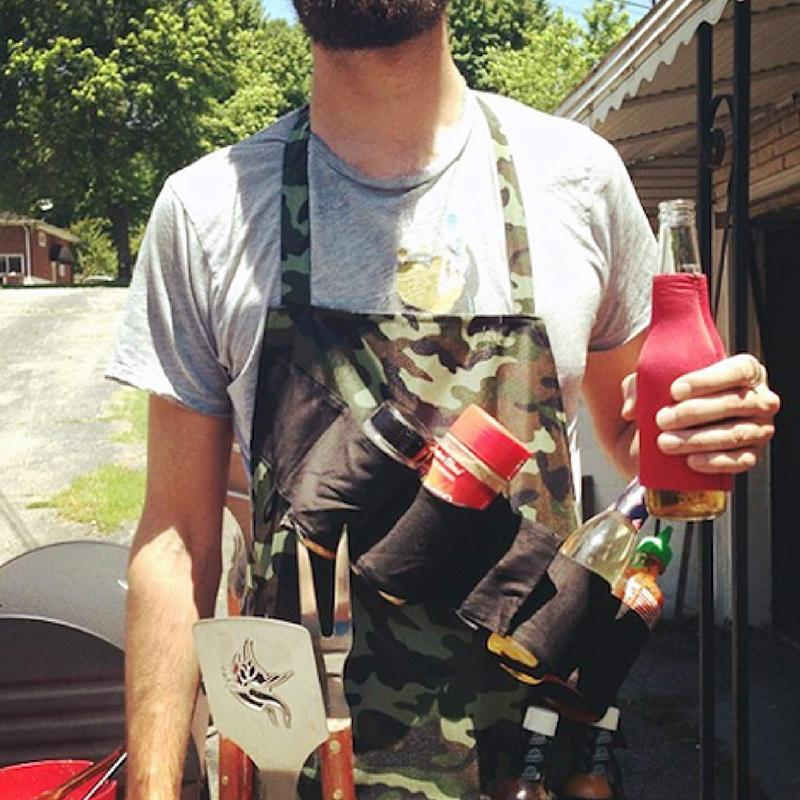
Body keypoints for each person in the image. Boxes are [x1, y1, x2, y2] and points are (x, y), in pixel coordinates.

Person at [107, 2, 780, 798]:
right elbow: (179, 536)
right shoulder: (205, 211)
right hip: (301, 766)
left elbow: (644, 450)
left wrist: (706, 433)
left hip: (534, 759)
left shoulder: (578, 179)